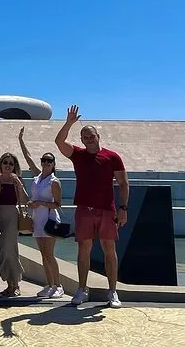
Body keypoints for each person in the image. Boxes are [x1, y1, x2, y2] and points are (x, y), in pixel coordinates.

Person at [55, 105, 129, 308]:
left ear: (98, 136)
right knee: (83, 249)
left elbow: (123, 183)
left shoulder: (112, 157)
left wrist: (123, 208)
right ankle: (82, 289)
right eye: (85, 137)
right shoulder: (78, 155)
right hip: (84, 209)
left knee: (109, 249)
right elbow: (59, 142)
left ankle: (112, 291)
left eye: (91, 136)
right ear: (81, 140)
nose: (89, 139)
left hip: (106, 209)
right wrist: (69, 123)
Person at [19, 127, 64, 298]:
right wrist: (21, 140)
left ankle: (58, 285)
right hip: (37, 219)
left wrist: (40, 203)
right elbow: (28, 158)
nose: (46, 163)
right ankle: (49, 284)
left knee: (49, 254)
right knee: (43, 254)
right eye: (44, 160)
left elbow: (58, 204)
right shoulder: (37, 178)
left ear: (53, 164)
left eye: (49, 161)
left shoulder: (54, 181)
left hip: (50, 219)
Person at [0, 152, 28, 296]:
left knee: (10, 249)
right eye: (5, 162)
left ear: (14, 166)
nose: (8, 165)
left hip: (11, 217)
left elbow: (25, 200)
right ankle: (10, 284)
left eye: (11, 163)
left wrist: (19, 185)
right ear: (1, 164)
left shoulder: (16, 180)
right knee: (1, 250)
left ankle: (16, 283)